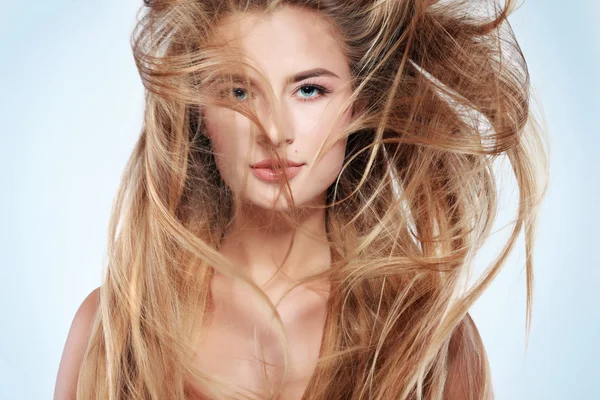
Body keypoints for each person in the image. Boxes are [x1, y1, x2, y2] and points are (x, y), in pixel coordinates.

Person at [54, 0, 549, 399]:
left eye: (309, 90)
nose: (274, 130)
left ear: (359, 103)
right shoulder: (114, 332)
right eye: (239, 92)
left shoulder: (426, 343)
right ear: (198, 112)